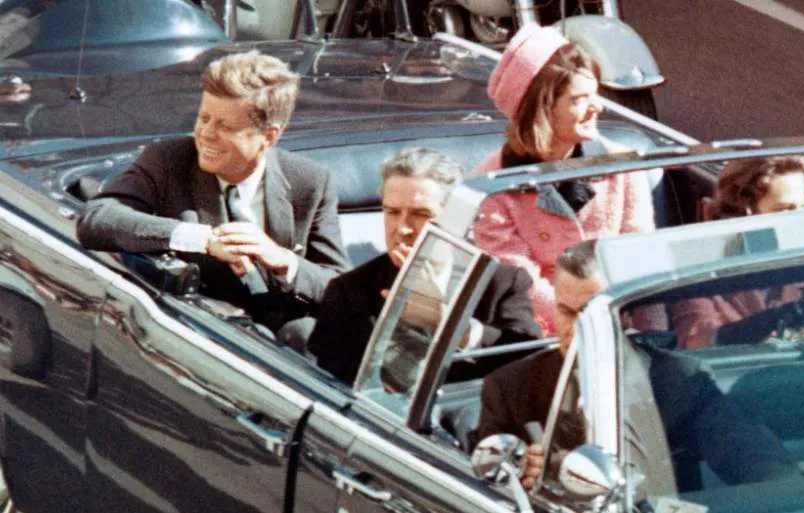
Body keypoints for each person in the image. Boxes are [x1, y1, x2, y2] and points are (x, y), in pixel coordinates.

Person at [477, 239, 802, 490]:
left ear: (627, 315)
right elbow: (487, 481)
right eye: (567, 311)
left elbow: (749, 455)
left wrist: (786, 488)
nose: (576, 329)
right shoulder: (509, 388)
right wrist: (520, 476)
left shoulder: (679, 380)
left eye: (592, 314)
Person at [77, 50, 351, 335]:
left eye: (225, 126)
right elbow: (96, 219)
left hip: (283, 349)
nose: (206, 133)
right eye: (204, 117)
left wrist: (285, 261)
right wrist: (203, 239)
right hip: (199, 335)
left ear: (268, 136)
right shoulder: (169, 161)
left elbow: (341, 289)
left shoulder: (310, 181)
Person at [472, 24, 656, 335]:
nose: (596, 107)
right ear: (542, 108)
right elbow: (522, 284)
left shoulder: (621, 166)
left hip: (624, 323)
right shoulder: (493, 186)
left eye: (595, 94)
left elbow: (640, 257)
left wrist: (652, 341)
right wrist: (588, 327)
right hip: (544, 337)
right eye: (579, 99)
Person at [308, 148, 543, 386]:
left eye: (421, 214)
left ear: (457, 217)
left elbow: (529, 362)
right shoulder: (348, 292)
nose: (402, 228)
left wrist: (450, 324)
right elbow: (338, 388)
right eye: (392, 212)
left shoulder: (500, 282)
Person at [672, 156, 804, 348]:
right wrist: (764, 323)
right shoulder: (697, 264)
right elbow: (696, 338)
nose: (800, 219)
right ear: (744, 213)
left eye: (803, 208)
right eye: (785, 210)